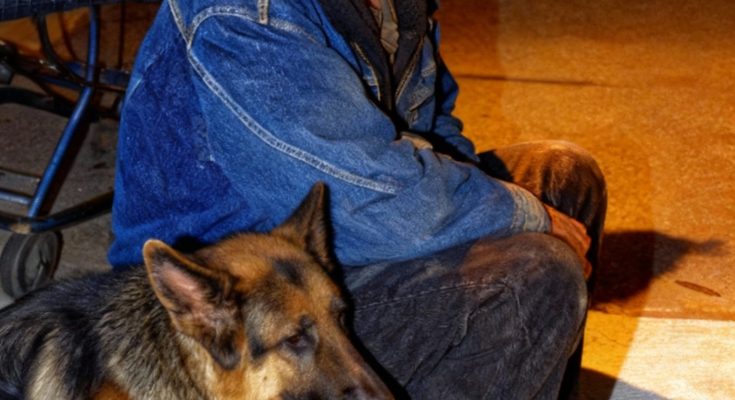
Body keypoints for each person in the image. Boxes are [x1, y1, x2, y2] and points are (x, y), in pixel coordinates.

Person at [110, 0, 607, 398]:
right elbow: (366, 206)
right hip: (246, 318)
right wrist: (517, 215)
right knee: (535, 273)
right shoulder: (243, 13)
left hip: (328, 255)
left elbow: (433, 133)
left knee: (563, 177)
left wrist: (504, 209)